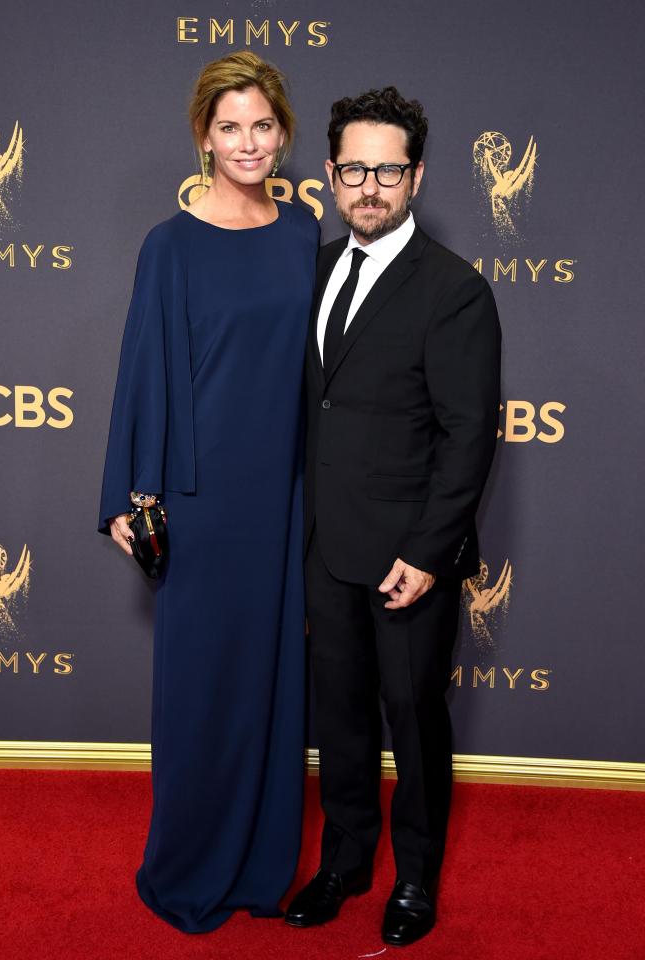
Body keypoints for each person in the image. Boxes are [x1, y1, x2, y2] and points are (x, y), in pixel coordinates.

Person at [97, 51, 319, 933]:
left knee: (273, 685)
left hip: (285, 491)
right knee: (199, 692)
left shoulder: (306, 236)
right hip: (199, 496)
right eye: (231, 126)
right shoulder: (171, 243)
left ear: (284, 131)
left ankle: (263, 869)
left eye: (263, 125)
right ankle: (188, 867)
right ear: (203, 137)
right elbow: (142, 371)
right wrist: (129, 494)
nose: (249, 142)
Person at [285, 87, 501, 946]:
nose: (368, 185)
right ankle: (343, 863)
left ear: (416, 176)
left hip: (410, 560)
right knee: (336, 718)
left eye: (388, 169)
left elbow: (468, 438)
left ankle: (414, 878)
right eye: (353, 169)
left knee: (413, 723)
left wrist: (427, 549)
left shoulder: (453, 290)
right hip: (328, 549)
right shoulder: (314, 270)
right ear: (331, 175)